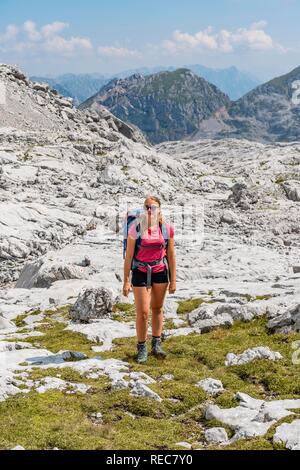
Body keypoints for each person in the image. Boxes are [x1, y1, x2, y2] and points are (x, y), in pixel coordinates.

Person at [123, 195, 176, 363]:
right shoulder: (135, 229)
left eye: (152, 207)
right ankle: (141, 346)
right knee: (143, 312)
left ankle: (156, 342)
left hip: (160, 271)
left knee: (158, 308)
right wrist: (126, 280)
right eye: (146, 206)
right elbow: (129, 256)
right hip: (140, 271)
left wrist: (173, 280)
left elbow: (171, 256)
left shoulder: (166, 229)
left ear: (159, 209)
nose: (149, 210)